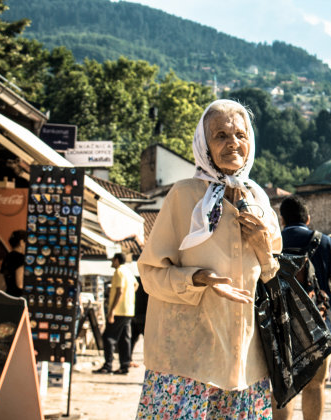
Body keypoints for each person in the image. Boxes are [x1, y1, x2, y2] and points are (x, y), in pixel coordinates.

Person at [136, 99, 282, 419]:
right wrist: (200, 279)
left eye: (240, 135)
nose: (233, 143)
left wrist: (261, 244)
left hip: (245, 364)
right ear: (204, 144)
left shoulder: (258, 200)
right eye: (221, 135)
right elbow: (150, 274)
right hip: (185, 362)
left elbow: (274, 276)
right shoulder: (183, 195)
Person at [273, 195, 331, 420]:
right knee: (315, 385)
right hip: (319, 324)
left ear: (282, 220)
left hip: (280, 324)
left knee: (282, 387)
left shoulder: (273, 242)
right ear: (308, 218)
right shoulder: (326, 243)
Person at [94, 253, 138, 375]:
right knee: (124, 339)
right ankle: (124, 366)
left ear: (117, 260)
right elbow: (136, 285)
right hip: (128, 310)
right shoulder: (128, 271)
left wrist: (112, 310)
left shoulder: (119, 272)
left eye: (113, 260)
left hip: (119, 311)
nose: (112, 262)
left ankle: (107, 365)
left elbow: (120, 290)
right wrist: (128, 297)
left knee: (108, 337)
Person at [1, 230, 27, 297]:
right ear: (21, 242)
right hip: (18, 298)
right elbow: (20, 284)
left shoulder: (7, 256)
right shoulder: (21, 258)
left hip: (8, 295)